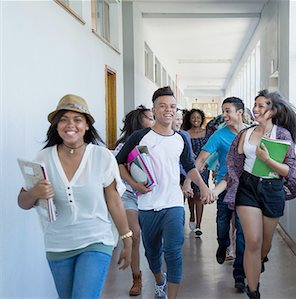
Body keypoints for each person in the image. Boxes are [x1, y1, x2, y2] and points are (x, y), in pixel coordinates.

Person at [17, 94, 132, 299]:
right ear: (56, 126)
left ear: (87, 125)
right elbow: (23, 202)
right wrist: (36, 192)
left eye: (77, 119)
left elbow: (113, 201)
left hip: (96, 240)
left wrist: (127, 239)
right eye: (64, 119)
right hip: (57, 243)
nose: (70, 125)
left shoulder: (102, 156)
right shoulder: (43, 158)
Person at [116, 86, 215, 299]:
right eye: (163, 106)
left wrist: (204, 186)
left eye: (172, 106)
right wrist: (135, 184)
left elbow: (189, 166)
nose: (168, 110)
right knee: (152, 254)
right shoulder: (139, 137)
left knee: (173, 252)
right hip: (147, 205)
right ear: (154, 110)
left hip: (173, 203)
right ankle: (159, 281)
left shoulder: (180, 138)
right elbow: (119, 163)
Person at [219, 90, 296, 298]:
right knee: (253, 241)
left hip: (272, 189)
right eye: (255, 105)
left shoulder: (282, 135)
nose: (255, 109)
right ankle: (253, 290)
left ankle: (259, 261)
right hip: (247, 188)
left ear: (273, 110)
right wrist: (218, 188)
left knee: (264, 245)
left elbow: (288, 170)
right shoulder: (245, 134)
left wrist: (266, 160)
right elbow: (234, 166)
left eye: (261, 106)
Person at [191, 97, 248, 292]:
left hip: (246, 188)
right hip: (224, 185)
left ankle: (239, 274)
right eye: (223, 111)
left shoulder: (251, 133)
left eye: (227, 111)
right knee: (222, 224)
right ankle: (223, 244)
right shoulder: (219, 135)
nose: (224, 115)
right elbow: (201, 159)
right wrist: (191, 180)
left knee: (242, 231)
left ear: (239, 112)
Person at [112, 105, 154, 296]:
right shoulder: (122, 146)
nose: (154, 121)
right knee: (134, 235)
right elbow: (117, 173)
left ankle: (158, 274)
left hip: (153, 196)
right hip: (130, 195)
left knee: (154, 240)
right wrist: (133, 184)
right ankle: (136, 277)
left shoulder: (157, 141)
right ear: (139, 122)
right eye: (150, 117)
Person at [182, 108, 211, 237]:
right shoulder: (185, 133)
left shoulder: (208, 133)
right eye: (193, 117)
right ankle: (192, 216)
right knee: (191, 194)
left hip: (204, 167)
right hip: (189, 167)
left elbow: (212, 150)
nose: (196, 120)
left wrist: (206, 163)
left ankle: (199, 225)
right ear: (189, 119)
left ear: (202, 119)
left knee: (200, 194)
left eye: (198, 117)